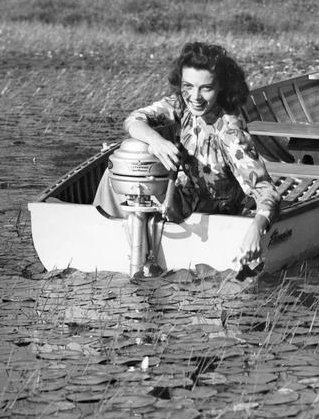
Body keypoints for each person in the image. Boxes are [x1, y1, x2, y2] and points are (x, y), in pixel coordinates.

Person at [94, 41, 281, 264]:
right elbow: (134, 120)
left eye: (206, 88)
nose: (195, 97)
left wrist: (257, 228)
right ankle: (110, 234)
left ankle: (135, 243)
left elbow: (266, 191)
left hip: (209, 217)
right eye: (188, 86)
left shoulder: (229, 129)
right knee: (120, 163)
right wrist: (155, 141)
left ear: (221, 87)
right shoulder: (181, 104)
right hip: (176, 198)